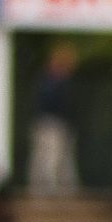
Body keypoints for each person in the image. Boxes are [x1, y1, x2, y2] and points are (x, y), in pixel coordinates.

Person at [28, 45, 78, 196]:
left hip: (55, 123)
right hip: (50, 123)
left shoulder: (53, 82)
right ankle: (46, 189)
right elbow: (54, 104)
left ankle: (59, 189)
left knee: (58, 157)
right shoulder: (51, 82)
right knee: (49, 157)